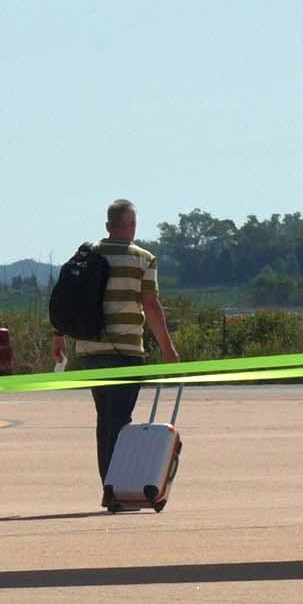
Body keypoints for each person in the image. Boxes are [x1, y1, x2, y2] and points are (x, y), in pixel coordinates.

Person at [51, 195, 177, 487]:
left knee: (105, 418)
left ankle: (109, 481)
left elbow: (66, 297)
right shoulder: (143, 259)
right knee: (119, 420)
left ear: (108, 225)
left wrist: (58, 335)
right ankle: (116, 486)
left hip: (90, 348)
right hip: (126, 350)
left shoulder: (87, 254)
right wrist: (169, 350)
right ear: (132, 225)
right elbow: (151, 305)